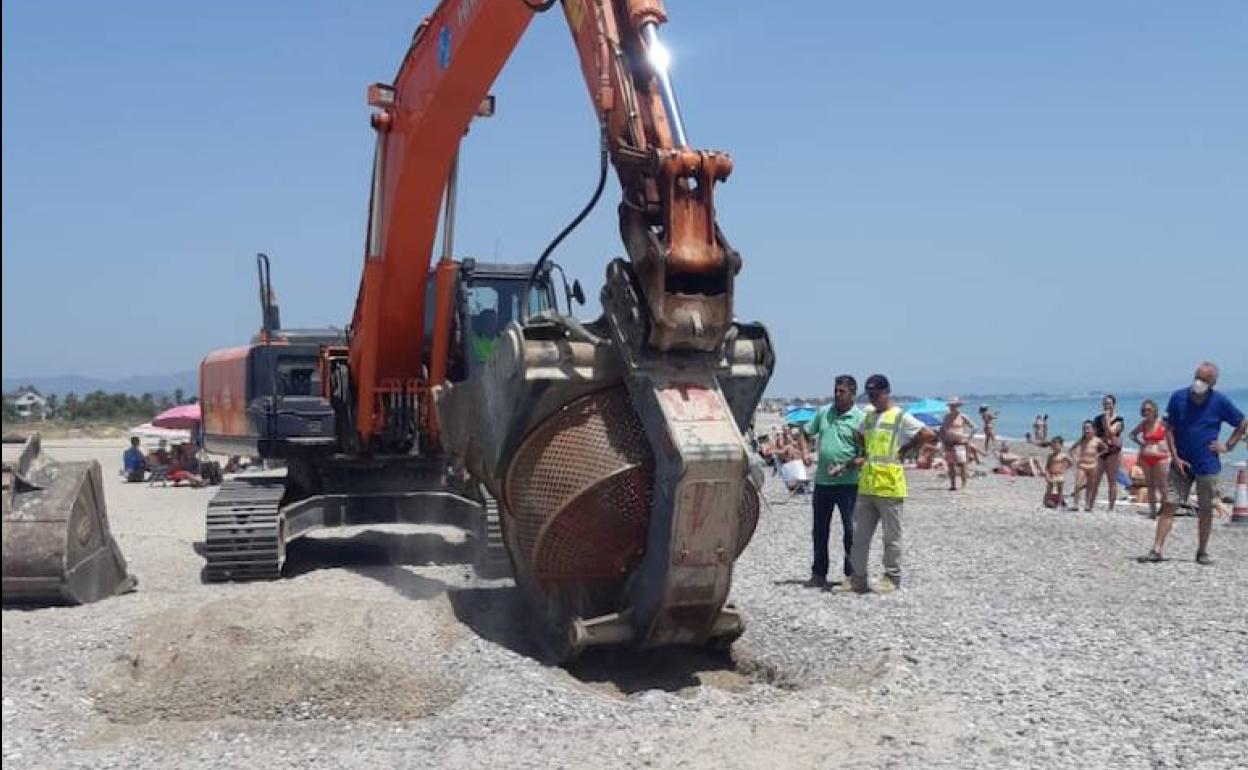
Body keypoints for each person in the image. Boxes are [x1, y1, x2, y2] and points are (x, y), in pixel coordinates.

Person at [1141, 362, 1247, 565]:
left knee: (1206, 508)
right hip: (1180, 462)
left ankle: (1202, 551)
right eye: (1197, 377)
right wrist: (1175, 455)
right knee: (1169, 504)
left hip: (1207, 463)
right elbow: (1169, 428)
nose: (1199, 382)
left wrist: (1228, 446)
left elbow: (1242, 422)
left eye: (1205, 379)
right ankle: (1157, 549)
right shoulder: (1178, 397)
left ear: (1213, 382)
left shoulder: (1220, 401)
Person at [847, 374, 936, 593]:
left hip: (890, 485)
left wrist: (907, 448)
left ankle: (892, 577)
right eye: (869, 395)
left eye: (876, 394)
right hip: (868, 484)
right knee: (859, 536)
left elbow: (928, 433)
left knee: (891, 537)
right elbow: (857, 433)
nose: (872, 399)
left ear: (886, 392)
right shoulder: (868, 417)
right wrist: (864, 451)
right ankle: (858, 578)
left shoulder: (899, 417)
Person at [800, 375, 864, 589]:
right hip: (823, 483)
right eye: (836, 390)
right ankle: (818, 574)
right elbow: (805, 433)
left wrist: (846, 466)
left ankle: (851, 574)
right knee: (819, 530)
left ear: (853, 393)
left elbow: (866, 455)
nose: (837, 395)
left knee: (850, 531)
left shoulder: (860, 419)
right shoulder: (824, 413)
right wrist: (805, 452)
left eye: (842, 391)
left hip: (849, 484)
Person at [1128, 399, 1170, 517]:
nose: (1147, 412)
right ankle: (1152, 512)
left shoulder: (1162, 422)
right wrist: (1141, 444)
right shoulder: (1144, 424)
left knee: (1163, 485)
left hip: (1161, 457)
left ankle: (1166, 509)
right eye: (1145, 410)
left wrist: (1167, 446)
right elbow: (1132, 435)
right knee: (1150, 485)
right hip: (1146, 457)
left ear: (1154, 409)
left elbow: (1174, 434)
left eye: (1149, 409)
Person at [1091, 395, 1126, 511]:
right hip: (1101, 451)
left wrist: (1106, 420)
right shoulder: (1097, 419)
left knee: (1112, 480)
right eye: (1105, 403)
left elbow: (1110, 432)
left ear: (1113, 405)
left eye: (1109, 403)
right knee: (1095, 479)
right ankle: (1090, 504)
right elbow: (1094, 435)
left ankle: (1111, 507)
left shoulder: (1119, 420)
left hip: (1113, 452)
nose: (1107, 405)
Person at [938, 397, 976, 491]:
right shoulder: (946, 417)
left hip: (960, 443)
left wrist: (968, 438)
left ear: (957, 406)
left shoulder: (962, 416)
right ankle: (953, 484)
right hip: (949, 443)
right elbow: (942, 429)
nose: (952, 407)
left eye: (954, 406)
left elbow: (974, 427)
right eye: (951, 406)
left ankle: (963, 484)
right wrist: (942, 441)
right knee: (951, 465)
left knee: (962, 464)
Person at [1067, 421, 1106, 511]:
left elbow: (1105, 448)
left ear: (1093, 429)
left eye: (1088, 428)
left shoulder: (1097, 440)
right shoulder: (1082, 440)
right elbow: (1071, 450)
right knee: (1078, 485)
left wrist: (1098, 455)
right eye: (1084, 428)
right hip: (1082, 465)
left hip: (1093, 465)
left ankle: (1087, 505)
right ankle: (1076, 504)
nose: (1086, 430)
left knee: (1090, 486)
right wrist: (1075, 459)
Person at [1043, 437, 1071, 508]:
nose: (1054, 447)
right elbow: (1047, 466)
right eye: (1053, 445)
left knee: (1060, 490)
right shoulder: (1051, 456)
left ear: (1061, 445)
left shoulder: (1063, 455)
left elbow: (1071, 462)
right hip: (1052, 474)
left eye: (1056, 445)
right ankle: (1045, 502)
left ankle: (1059, 503)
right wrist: (1047, 475)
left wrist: (1065, 468)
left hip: (1059, 475)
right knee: (1049, 488)